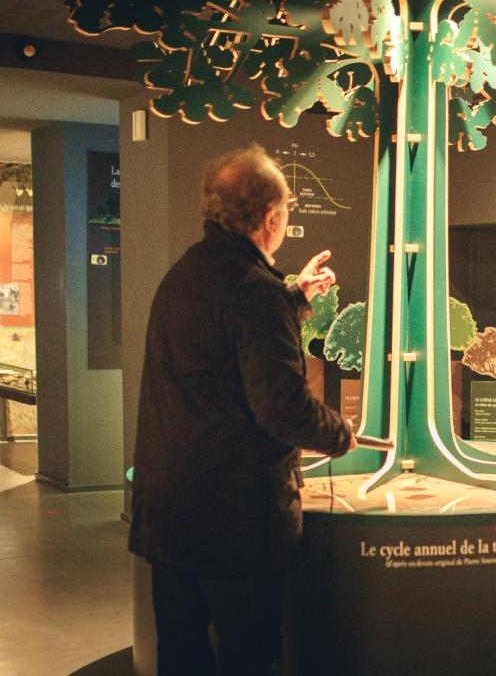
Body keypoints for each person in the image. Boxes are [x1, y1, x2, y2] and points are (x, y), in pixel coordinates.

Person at [128, 145, 356, 675]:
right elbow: (282, 408)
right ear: (271, 218)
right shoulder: (255, 293)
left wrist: (293, 299)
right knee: (248, 656)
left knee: (181, 653)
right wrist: (340, 433)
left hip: (170, 515)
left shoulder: (184, 275)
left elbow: (220, 358)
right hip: (233, 522)